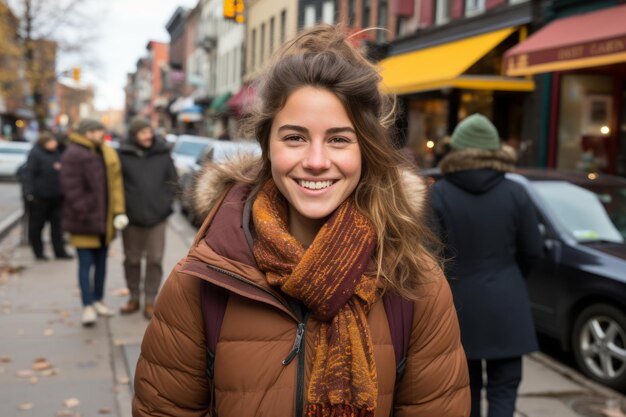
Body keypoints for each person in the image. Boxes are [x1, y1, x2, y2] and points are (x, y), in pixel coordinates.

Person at [133, 25, 469, 417]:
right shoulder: (203, 280)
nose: (315, 160)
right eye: (294, 137)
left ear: (367, 151)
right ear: (267, 146)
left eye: (339, 139)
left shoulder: (416, 285)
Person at [429, 114, 542, 417]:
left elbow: (429, 258)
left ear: (457, 150)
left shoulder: (438, 193)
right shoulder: (516, 192)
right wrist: (511, 277)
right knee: (505, 389)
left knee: (466, 388)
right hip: (508, 304)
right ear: (495, 150)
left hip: (457, 306)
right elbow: (533, 250)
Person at [59, 118, 128, 327]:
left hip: (104, 220)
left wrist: (117, 212)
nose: (101, 134)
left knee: (101, 264)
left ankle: (98, 300)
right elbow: (70, 188)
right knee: (85, 264)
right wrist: (85, 209)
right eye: (98, 130)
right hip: (84, 220)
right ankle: (87, 305)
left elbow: (115, 183)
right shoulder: (74, 153)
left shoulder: (104, 151)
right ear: (87, 132)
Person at [117, 117, 177, 319]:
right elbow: (117, 184)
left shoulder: (163, 153)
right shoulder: (122, 154)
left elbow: (173, 181)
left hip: (157, 217)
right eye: (143, 133)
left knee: (155, 259)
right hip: (131, 218)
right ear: (135, 135)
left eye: (149, 132)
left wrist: (165, 204)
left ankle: (150, 300)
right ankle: (133, 297)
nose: (148, 136)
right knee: (132, 260)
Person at [21, 132, 72, 260]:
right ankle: (39, 253)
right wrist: (29, 194)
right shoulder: (35, 154)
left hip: (56, 196)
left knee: (57, 227)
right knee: (37, 226)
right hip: (40, 197)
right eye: (51, 142)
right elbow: (29, 174)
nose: (54, 144)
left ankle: (59, 251)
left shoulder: (57, 153)